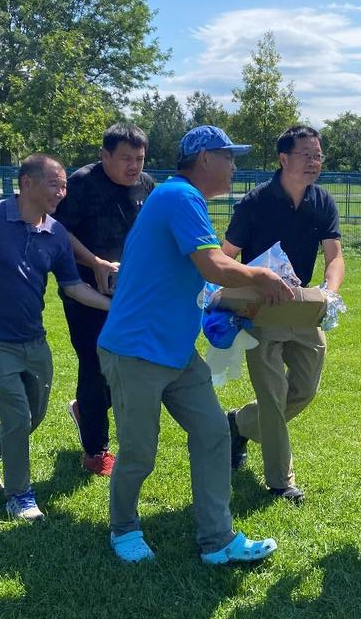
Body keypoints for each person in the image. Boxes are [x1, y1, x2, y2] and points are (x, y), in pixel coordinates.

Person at [97, 125, 294, 564]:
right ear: (205, 158)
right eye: (229, 156)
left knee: (211, 433)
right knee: (138, 451)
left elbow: (195, 279)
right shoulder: (180, 197)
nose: (234, 166)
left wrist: (237, 301)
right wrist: (260, 277)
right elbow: (212, 263)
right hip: (135, 351)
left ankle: (217, 539)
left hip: (174, 350)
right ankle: (123, 528)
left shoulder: (182, 200)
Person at [0, 154, 111, 522]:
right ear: (27, 183)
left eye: (64, 186)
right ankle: (20, 495)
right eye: (54, 184)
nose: (61, 193)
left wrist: (113, 306)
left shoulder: (57, 233)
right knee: (16, 417)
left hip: (34, 341)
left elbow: (73, 287)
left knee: (34, 416)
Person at [222, 125, 344, 505]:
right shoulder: (254, 203)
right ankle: (280, 481)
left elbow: (335, 256)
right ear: (283, 159)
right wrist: (242, 293)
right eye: (306, 154)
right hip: (261, 311)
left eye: (318, 155)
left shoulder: (322, 201)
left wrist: (329, 292)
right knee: (273, 397)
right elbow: (225, 256)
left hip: (305, 306)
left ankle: (237, 424)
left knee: (304, 389)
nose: (314, 162)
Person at [53, 123, 154, 477]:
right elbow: (58, 231)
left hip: (130, 291)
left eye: (139, 158)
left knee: (131, 364)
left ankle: (86, 409)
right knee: (95, 363)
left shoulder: (147, 186)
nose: (134, 166)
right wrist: (94, 263)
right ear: (104, 155)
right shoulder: (81, 183)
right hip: (84, 290)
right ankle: (96, 451)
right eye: (126, 158)